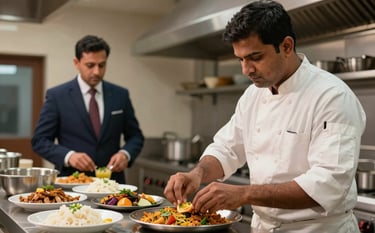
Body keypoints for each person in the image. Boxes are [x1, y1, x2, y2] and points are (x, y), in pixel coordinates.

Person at [163, 1, 366, 232]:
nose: (246, 70)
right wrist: (197, 174)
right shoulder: (252, 96)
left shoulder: (332, 96)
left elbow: (329, 184)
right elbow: (227, 149)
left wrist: (245, 194)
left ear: (286, 46)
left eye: (255, 57)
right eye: (240, 59)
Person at [31, 35, 144, 184]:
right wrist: (69, 156)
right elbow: (40, 140)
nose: (97, 72)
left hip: (113, 185)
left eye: (102, 65)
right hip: (72, 184)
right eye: (90, 65)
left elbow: (136, 136)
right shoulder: (57, 96)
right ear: (76, 63)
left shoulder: (120, 95)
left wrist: (125, 154)